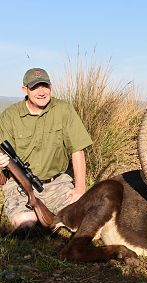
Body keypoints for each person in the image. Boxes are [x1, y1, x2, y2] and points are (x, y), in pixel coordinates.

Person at [0, 67, 92, 229]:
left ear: (51, 87)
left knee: (86, 216)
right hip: (20, 185)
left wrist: (79, 188)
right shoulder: (9, 116)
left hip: (58, 183)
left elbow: (77, 150)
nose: (41, 91)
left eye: (45, 86)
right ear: (25, 90)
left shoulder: (64, 109)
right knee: (25, 222)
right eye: (35, 87)